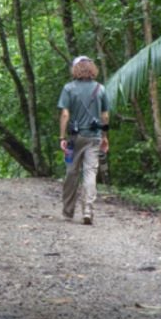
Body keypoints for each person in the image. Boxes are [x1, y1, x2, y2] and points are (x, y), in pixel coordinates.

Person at [58, 56, 110, 225]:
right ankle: (88, 210)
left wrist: (62, 137)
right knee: (90, 173)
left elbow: (65, 114)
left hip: (74, 138)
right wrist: (105, 137)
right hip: (94, 137)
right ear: (92, 69)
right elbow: (105, 115)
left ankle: (68, 212)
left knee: (71, 173)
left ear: (75, 69)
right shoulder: (100, 89)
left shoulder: (69, 88)